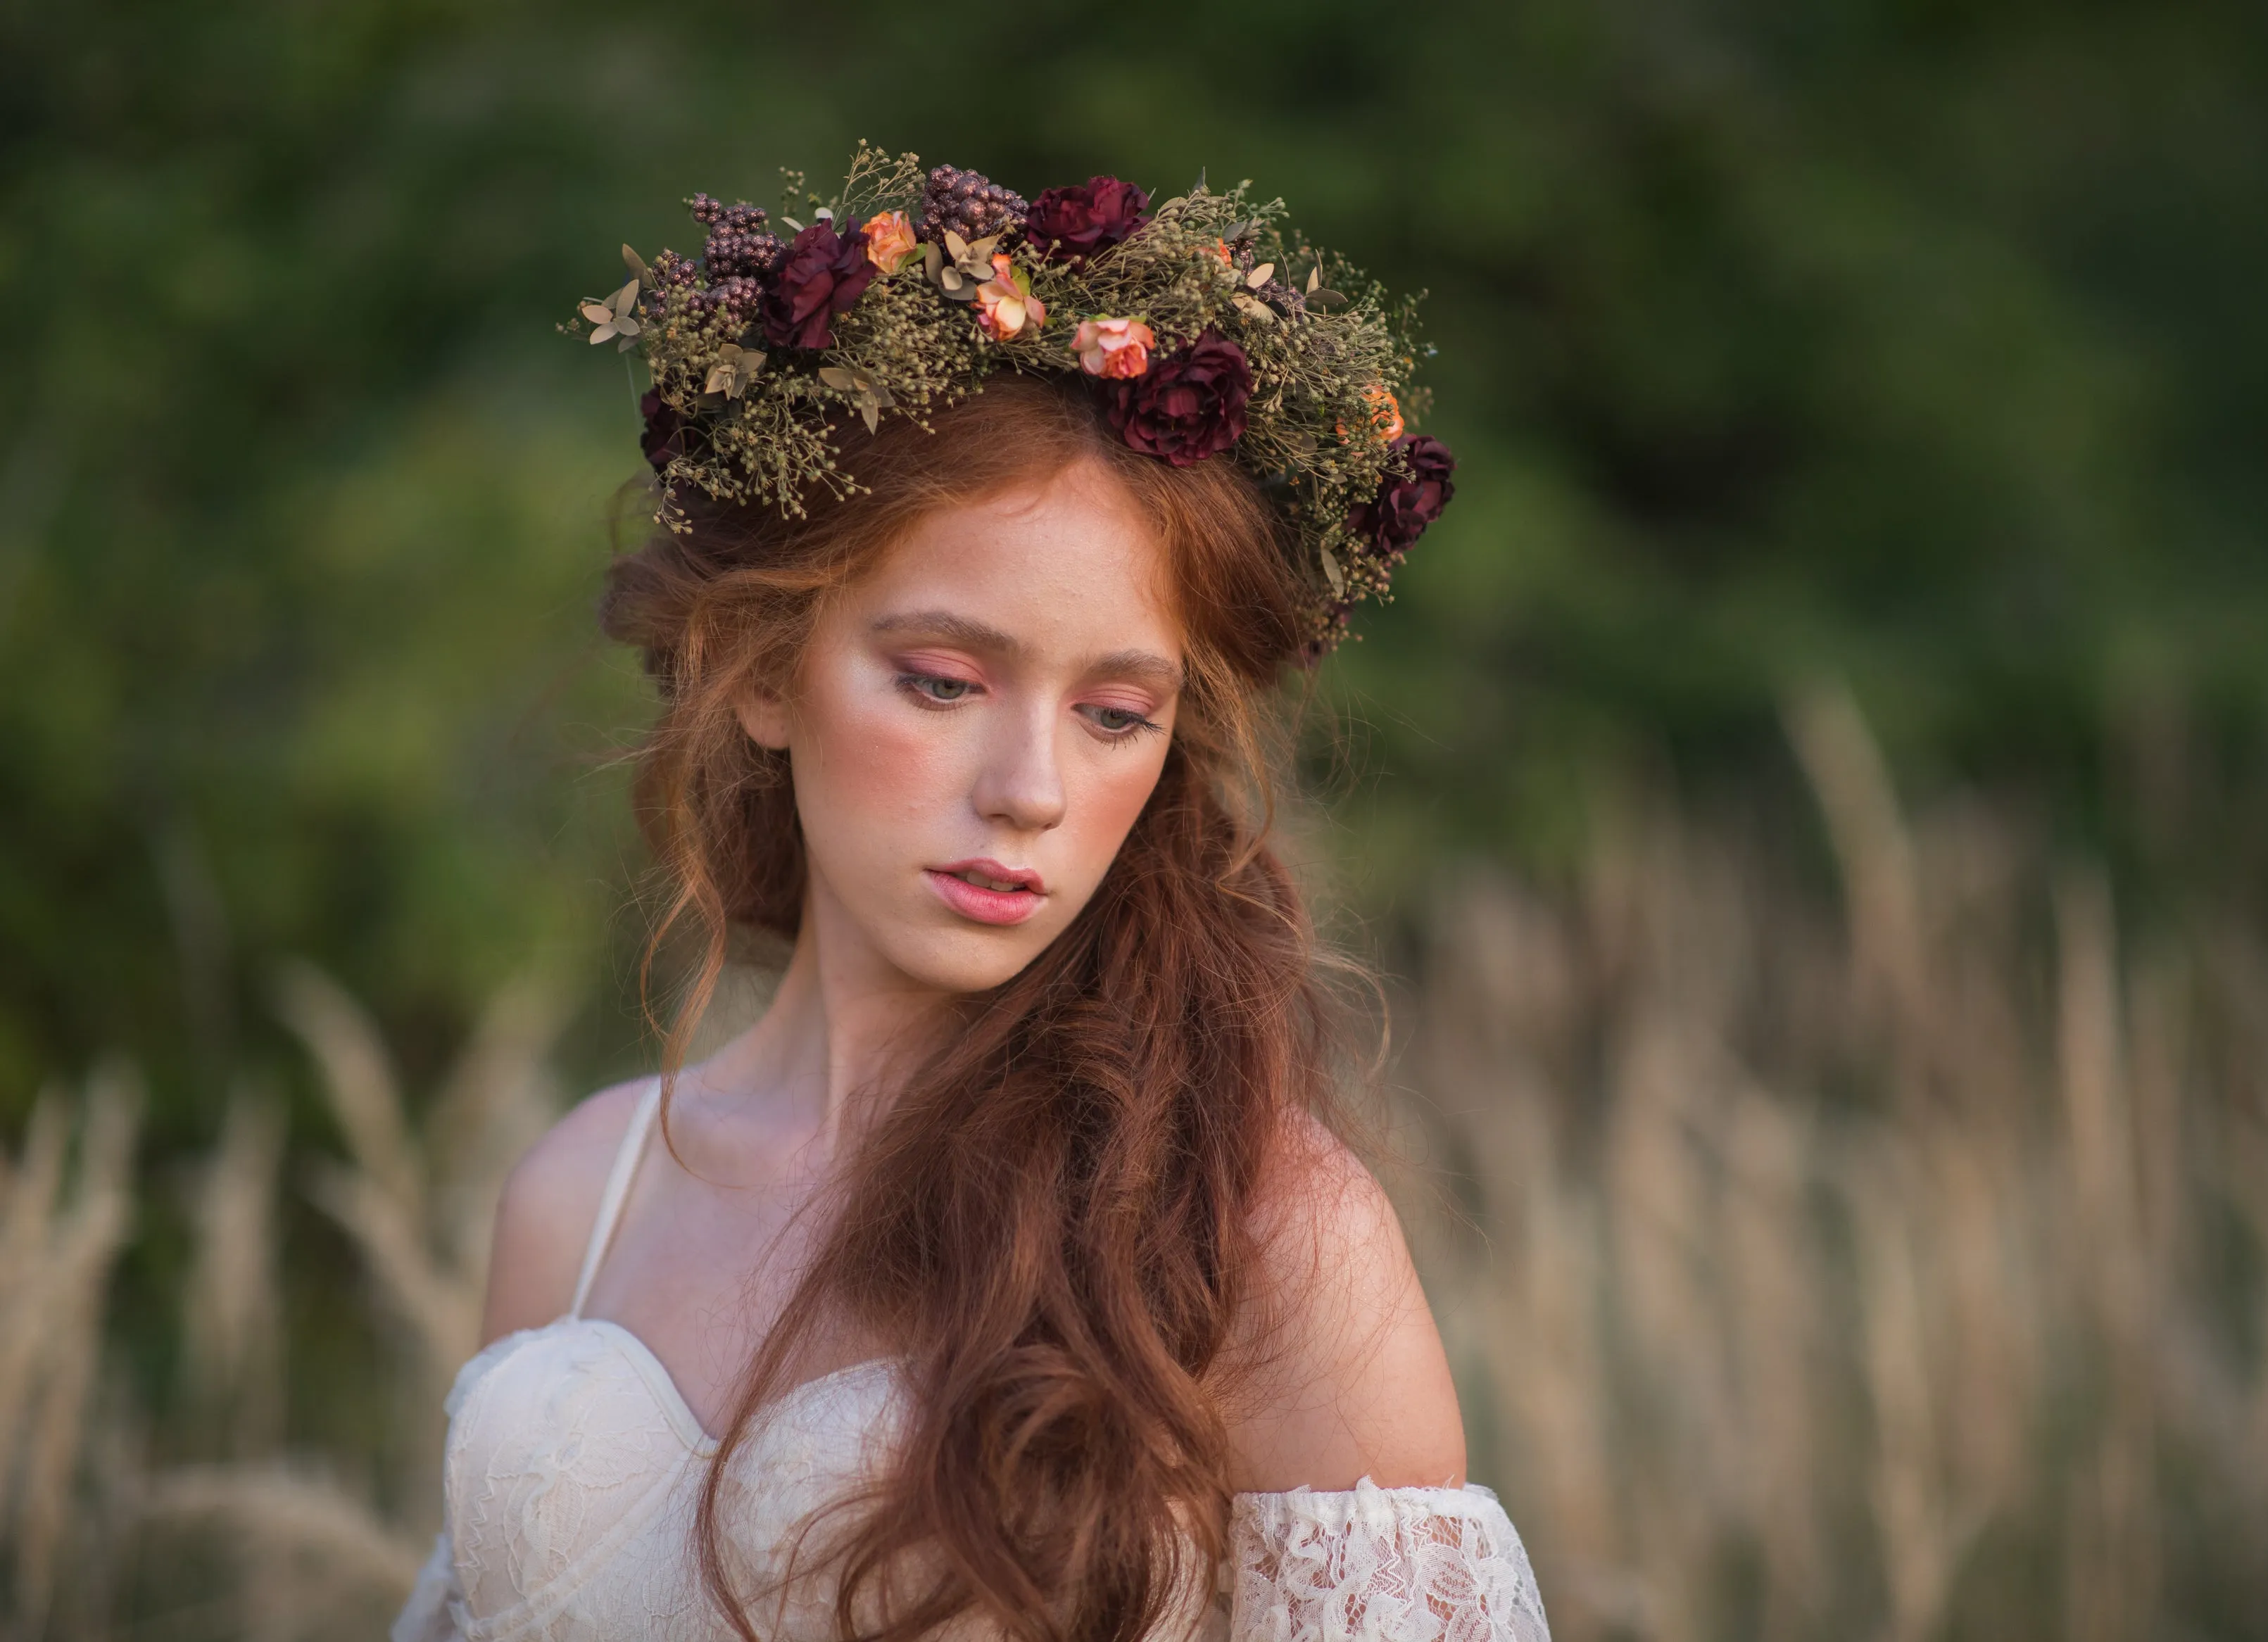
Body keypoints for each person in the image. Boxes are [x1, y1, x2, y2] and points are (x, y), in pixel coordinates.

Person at [395, 152, 1544, 1642]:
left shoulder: (1252, 1228)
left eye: (1115, 712)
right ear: (760, 672)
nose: (1031, 787)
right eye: (942, 680)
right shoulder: (576, 1194)